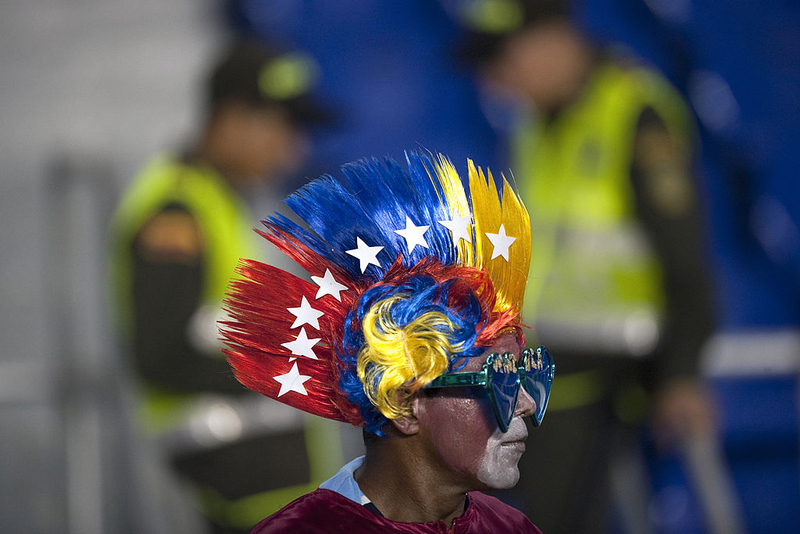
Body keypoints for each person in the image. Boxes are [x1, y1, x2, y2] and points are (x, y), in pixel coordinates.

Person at [455, 0, 716, 531]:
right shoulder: (533, 123)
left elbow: (686, 258)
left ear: (555, 39)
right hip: (548, 367)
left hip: (611, 373)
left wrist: (682, 373)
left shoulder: (634, 113)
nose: (496, 82)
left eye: (505, 60)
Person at [219, 151, 553, 532]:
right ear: (404, 403)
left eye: (527, 374)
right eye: (499, 379)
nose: (525, 404)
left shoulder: (512, 527)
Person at [108, 39, 344, 533]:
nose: (293, 148)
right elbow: (159, 352)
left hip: (256, 466)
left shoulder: (220, 202)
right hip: (235, 458)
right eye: (283, 127)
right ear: (232, 119)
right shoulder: (176, 212)